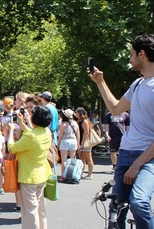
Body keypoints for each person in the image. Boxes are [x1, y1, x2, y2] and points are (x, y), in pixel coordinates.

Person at [88, 34, 154, 228]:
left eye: (132, 54)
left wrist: (137, 165)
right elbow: (116, 108)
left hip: (148, 157)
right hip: (126, 153)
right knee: (116, 208)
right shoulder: (137, 84)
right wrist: (100, 82)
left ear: (142, 54)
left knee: (139, 202)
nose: (129, 59)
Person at [7, 106, 52, 229]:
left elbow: (12, 147)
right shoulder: (47, 132)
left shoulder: (31, 137)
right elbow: (32, 134)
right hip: (41, 175)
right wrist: (22, 123)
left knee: (30, 211)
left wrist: (11, 131)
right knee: (40, 208)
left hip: (28, 177)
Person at [57, 108, 80, 179]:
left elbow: (60, 135)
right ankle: (72, 174)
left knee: (64, 160)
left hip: (65, 141)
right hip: (73, 141)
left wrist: (58, 143)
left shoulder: (63, 124)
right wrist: (78, 143)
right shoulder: (75, 123)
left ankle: (63, 175)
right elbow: (78, 134)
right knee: (72, 159)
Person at [76, 107, 94, 179]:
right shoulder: (81, 121)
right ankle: (81, 173)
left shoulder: (85, 122)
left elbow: (86, 134)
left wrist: (82, 143)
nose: (75, 114)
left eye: (76, 112)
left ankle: (90, 174)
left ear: (80, 113)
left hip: (86, 143)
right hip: (83, 142)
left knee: (88, 158)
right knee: (82, 158)